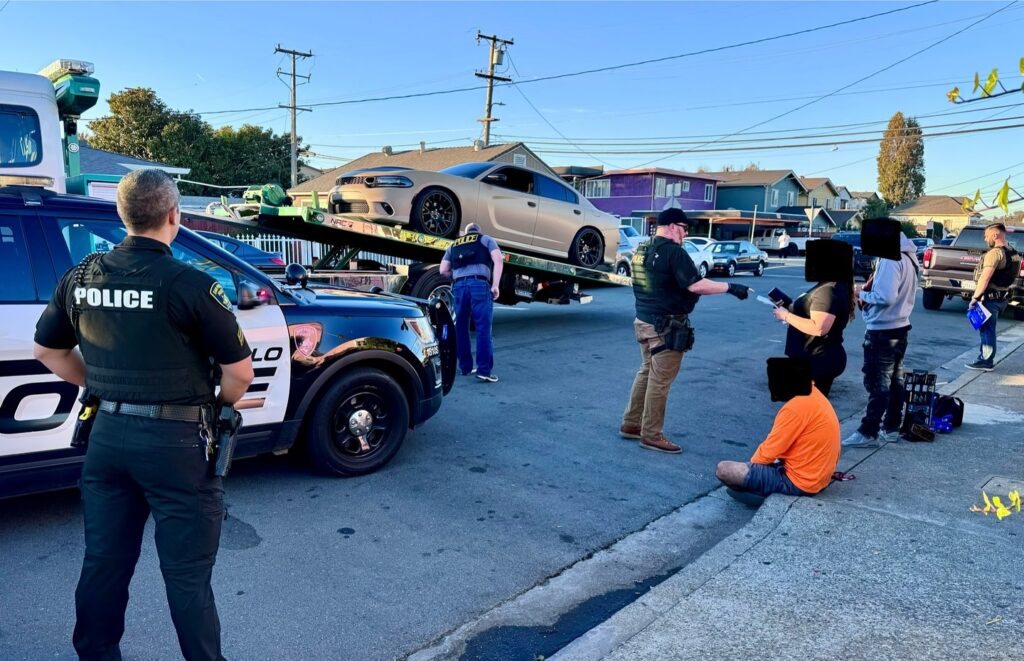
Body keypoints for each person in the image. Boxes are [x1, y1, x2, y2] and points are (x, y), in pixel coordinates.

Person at [33, 169, 254, 661]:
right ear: (173, 215)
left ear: (122, 215)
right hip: (177, 446)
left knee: (104, 564)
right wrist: (215, 407)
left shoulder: (81, 277)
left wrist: (103, 386)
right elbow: (239, 374)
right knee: (187, 578)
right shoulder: (190, 283)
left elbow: (46, 351)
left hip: (107, 438)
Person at [620, 208, 750, 454]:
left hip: (644, 320)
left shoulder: (642, 250)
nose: (686, 233)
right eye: (684, 228)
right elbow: (696, 285)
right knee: (660, 381)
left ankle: (631, 423)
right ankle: (651, 434)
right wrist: (730, 287)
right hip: (665, 325)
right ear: (671, 226)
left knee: (647, 372)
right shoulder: (674, 252)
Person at [716, 358, 841, 497]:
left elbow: (767, 453)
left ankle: (760, 493)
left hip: (799, 483)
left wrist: (752, 470)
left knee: (724, 469)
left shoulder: (796, 407)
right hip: (817, 479)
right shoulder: (815, 395)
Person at [844, 230, 919, 449]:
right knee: (895, 381)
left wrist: (861, 293)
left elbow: (886, 296)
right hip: (900, 326)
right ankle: (891, 427)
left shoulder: (889, 259)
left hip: (883, 329)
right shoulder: (909, 257)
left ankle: (868, 431)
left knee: (878, 382)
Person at [771, 239, 854, 397]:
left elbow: (819, 327)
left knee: (804, 411)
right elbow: (811, 311)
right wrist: (789, 306)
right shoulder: (829, 285)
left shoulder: (828, 290)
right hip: (814, 358)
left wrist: (786, 315)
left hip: (817, 359)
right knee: (807, 411)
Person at [439, 222, 503, 383]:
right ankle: (484, 371)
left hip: (459, 287)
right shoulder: (486, 239)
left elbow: (443, 270)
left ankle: (465, 367)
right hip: (479, 285)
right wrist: (495, 285)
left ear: (465, 233)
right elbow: (498, 260)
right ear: (478, 231)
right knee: (483, 329)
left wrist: (458, 274)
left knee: (460, 328)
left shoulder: (453, 245)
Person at [965, 221, 1022, 371]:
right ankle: (984, 358)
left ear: (995, 235)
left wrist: (975, 298)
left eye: (986, 236)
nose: (985, 239)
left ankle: (985, 361)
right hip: (1003, 297)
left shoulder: (994, 254)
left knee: (987, 330)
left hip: (990, 298)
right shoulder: (1014, 254)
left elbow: (985, 277)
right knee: (988, 329)